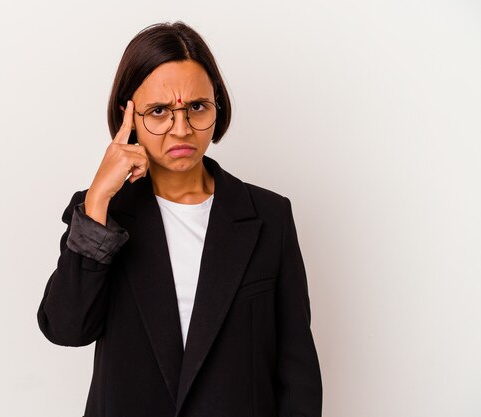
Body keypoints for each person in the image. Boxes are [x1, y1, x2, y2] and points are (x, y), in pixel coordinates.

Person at [37, 21, 322, 417]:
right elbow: (67, 328)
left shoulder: (269, 216)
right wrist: (99, 196)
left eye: (197, 107)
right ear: (129, 115)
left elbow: (297, 371)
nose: (182, 129)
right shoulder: (101, 215)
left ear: (216, 106)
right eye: (159, 112)